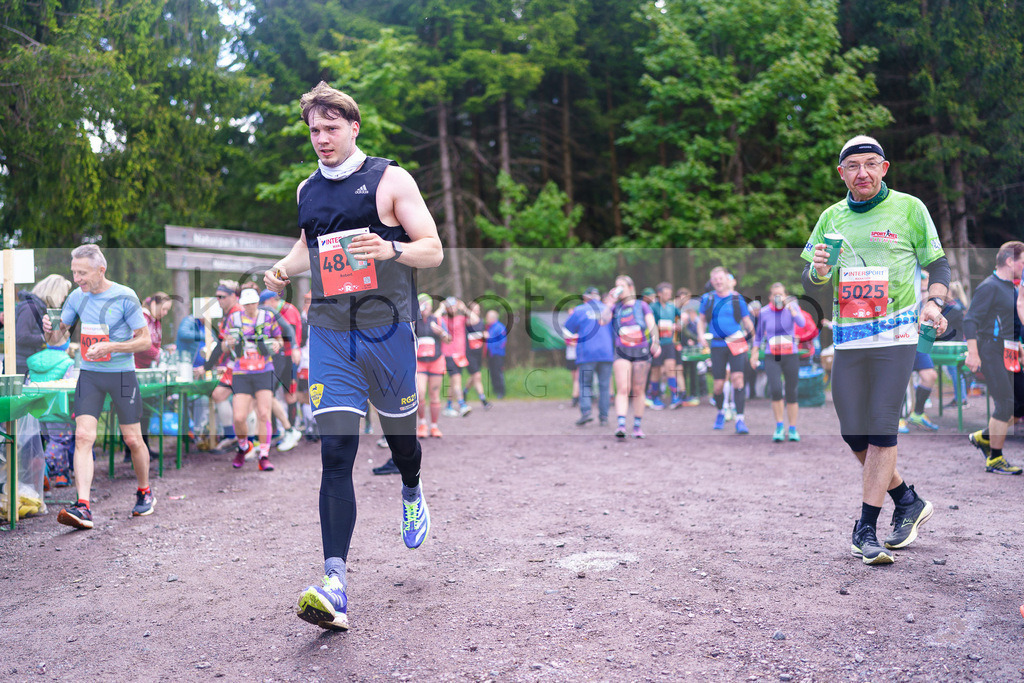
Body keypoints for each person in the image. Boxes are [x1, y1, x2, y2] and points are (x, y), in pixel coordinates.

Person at [263, 81, 443, 631]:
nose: (321, 139)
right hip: (330, 333)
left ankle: (411, 489)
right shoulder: (306, 189)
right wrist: (284, 268)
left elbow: (432, 249)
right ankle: (334, 582)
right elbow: (307, 246)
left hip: (388, 330)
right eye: (313, 130)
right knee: (335, 453)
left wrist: (389, 247)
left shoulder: (391, 179)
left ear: (353, 126)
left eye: (331, 129)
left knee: (402, 443)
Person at [801, 135, 949, 565]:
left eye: (870, 164)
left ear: (885, 168)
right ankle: (907, 500)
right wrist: (820, 269)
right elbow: (813, 278)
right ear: (841, 173)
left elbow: (937, 263)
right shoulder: (831, 218)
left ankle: (866, 528)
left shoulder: (909, 208)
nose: (862, 173)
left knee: (883, 427)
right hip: (849, 338)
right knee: (853, 432)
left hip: (897, 334)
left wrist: (934, 302)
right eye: (853, 166)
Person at [42, 244, 155, 529]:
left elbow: (145, 341)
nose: (77, 278)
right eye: (74, 272)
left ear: (100, 270)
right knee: (83, 437)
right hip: (89, 375)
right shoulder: (76, 297)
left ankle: (145, 491)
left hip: (122, 375)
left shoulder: (125, 295)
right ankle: (83, 507)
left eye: (83, 273)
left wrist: (112, 346)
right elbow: (57, 339)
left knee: (132, 439)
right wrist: (49, 329)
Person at [964, 240, 1024, 474]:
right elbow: (970, 320)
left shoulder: (1012, 287)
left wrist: (1017, 345)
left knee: (1020, 402)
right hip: (990, 350)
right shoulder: (989, 286)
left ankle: (984, 437)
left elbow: (1009, 323)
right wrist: (973, 353)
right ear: (1010, 261)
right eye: (1022, 261)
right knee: (1005, 404)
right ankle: (995, 459)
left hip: (1008, 351)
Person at [223, 286, 284, 471]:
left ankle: (264, 455)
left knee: (264, 413)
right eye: (246, 304)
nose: (250, 307)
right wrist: (228, 343)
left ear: (258, 302)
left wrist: (275, 345)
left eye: (253, 303)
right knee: (239, 417)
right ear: (242, 304)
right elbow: (225, 346)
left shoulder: (268, 318)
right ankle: (243, 447)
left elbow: (279, 341)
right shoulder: (234, 319)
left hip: (263, 370)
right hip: (241, 371)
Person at [697, 266, 755, 434]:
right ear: (711, 281)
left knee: (738, 379)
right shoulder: (707, 299)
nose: (718, 281)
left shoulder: (737, 300)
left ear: (727, 279)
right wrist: (701, 335)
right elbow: (701, 320)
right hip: (717, 344)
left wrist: (753, 338)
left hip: (736, 342)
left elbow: (747, 321)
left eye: (721, 278)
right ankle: (721, 412)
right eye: (715, 279)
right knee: (718, 386)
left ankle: (740, 419)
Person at [750, 283, 806, 442]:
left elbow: (802, 324)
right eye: (775, 295)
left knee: (792, 392)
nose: (778, 298)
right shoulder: (764, 312)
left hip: (790, 354)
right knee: (775, 390)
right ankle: (780, 426)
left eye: (781, 294)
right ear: (770, 297)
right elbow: (759, 336)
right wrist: (754, 354)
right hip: (772, 355)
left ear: (785, 295)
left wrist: (792, 309)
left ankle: (793, 428)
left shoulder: (793, 308)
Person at [607, 275, 661, 438]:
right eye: (616, 286)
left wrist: (656, 342)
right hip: (622, 350)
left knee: (638, 389)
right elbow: (602, 321)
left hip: (641, 350)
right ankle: (621, 425)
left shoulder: (642, 305)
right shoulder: (615, 307)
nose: (619, 289)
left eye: (621, 285)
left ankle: (637, 426)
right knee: (623, 388)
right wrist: (609, 302)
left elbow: (652, 324)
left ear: (630, 287)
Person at [257, 289, 303, 452]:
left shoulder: (287, 310)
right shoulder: (278, 310)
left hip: (289, 357)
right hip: (280, 357)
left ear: (270, 301)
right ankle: (280, 432)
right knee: (272, 393)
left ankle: (292, 430)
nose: (263, 308)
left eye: (263, 304)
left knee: (289, 394)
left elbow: (288, 332)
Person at [564, 286, 614, 427]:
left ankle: (586, 413)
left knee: (585, 384)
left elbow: (568, 329)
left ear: (585, 297)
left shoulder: (580, 310)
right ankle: (604, 417)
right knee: (604, 386)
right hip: (606, 353)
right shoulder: (608, 310)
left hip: (587, 353)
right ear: (598, 296)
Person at [900, 272, 940, 432]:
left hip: (919, 336)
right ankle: (898, 418)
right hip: (900, 336)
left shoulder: (928, 282)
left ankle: (917, 413)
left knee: (930, 376)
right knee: (900, 380)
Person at [14, 274, 72, 375]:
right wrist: (46, 338)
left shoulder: (39, 308)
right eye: (63, 296)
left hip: (30, 362)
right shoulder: (30, 308)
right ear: (55, 293)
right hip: (21, 365)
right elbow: (21, 337)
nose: (62, 300)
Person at [412, 293, 449, 440]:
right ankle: (422, 424)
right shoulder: (414, 321)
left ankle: (434, 426)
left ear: (431, 306)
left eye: (427, 303)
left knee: (434, 395)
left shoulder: (438, 320)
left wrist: (441, 333)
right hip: (420, 362)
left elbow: (448, 339)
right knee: (420, 393)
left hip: (436, 361)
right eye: (421, 303)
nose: (424, 306)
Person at [647, 282, 681, 409]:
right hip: (656, 343)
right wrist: (666, 327)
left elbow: (680, 317)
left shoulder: (672, 307)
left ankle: (674, 397)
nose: (668, 295)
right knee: (656, 371)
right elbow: (650, 325)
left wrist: (678, 326)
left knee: (671, 368)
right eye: (666, 293)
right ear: (659, 294)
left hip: (669, 343)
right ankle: (654, 398)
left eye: (669, 293)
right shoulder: (653, 307)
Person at [438, 296, 472, 417]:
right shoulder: (442, 319)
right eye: (449, 306)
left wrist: (464, 308)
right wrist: (441, 308)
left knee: (453, 381)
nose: (452, 308)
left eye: (454, 305)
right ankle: (462, 405)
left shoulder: (461, 318)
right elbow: (435, 318)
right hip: (449, 354)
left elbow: (475, 320)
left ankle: (448, 405)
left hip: (460, 355)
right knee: (456, 379)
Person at [462, 301, 491, 410]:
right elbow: (473, 320)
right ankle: (484, 401)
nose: (477, 311)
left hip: (479, 353)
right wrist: (465, 309)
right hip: (469, 354)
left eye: (478, 309)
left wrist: (485, 336)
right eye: (475, 309)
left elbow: (483, 334)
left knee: (474, 376)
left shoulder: (481, 322)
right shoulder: (465, 322)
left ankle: (464, 392)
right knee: (477, 376)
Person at [134, 292, 173, 369]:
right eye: (163, 309)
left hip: (149, 367)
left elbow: (156, 344)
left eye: (167, 310)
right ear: (153, 304)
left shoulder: (156, 322)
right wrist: (158, 354)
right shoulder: (143, 318)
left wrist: (162, 351)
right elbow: (141, 342)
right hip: (137, 367)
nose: (165, 313)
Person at [485, 310, 507, 399]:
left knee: (498, 372)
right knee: (493, 372)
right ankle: (495, 390)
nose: (486, 319)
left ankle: (501, 391)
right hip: (491, 354)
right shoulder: (490, 327)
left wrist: (495, 349)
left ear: (492, 318)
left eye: (487, 317)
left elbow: (502, 341)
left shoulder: (499, 327)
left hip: (497, 354)